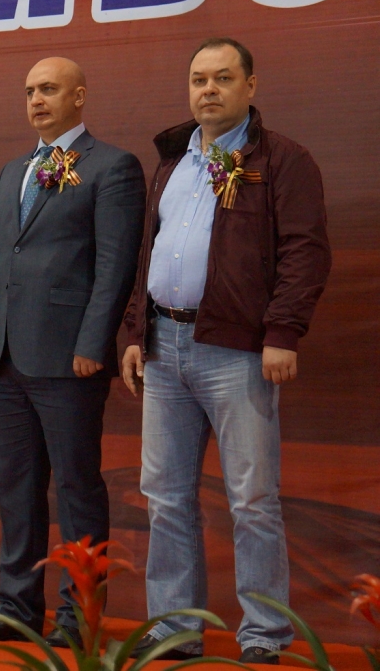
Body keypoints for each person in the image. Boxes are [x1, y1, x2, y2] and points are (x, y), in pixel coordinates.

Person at [121, 38, 331, 663]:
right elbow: (147, 256)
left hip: (238, 350)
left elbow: (305, 252)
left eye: (222, 78)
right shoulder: (172, 161)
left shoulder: (283, 159)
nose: (208, 90)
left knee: (253, 500)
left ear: (250, 86)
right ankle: (176, 628)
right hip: (163, 347)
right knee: (165, 498)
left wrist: (282, 332)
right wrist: (134, 333)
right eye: (198, 79)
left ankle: (263, 634)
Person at [0, 57, 145, 646]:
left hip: (68, 358)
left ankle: (79, 615)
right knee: (16, 489)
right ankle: (15, 608)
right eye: (30, 91)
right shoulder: (13, 170)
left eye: (48, 89)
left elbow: (115, 265)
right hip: (5, 356)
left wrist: (94, 341)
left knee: (76, 488)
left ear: (79, 96)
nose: (36, 100)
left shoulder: (112, 166)